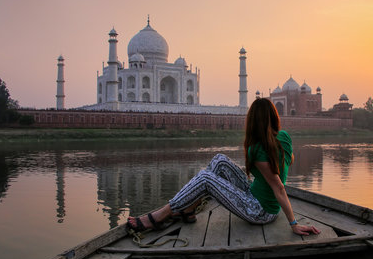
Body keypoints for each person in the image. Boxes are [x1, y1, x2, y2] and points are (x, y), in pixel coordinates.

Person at [127, 98, 320, 236]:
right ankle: (188, 209)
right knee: (219, 160)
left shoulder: (258, 148)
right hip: (254, 195)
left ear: (252, 120)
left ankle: (160, 215)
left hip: (261, 211)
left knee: (205, 178)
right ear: (274, 116)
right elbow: (288, 163)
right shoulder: (284, 136)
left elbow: (278, 186)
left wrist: (294, 224)